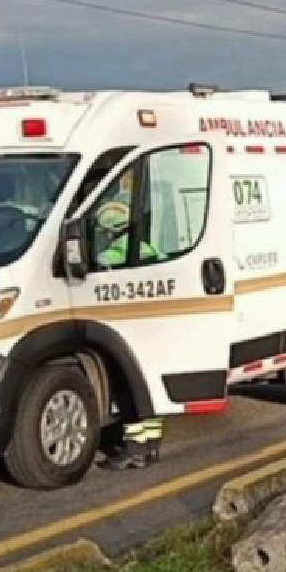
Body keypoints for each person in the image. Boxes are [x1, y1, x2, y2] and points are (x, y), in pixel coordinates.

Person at [92, 194, 165, 470]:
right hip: (153, 330)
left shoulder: (110, 256)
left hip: (129, 330)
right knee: (149, 389)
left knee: (127, 390)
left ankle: (134, 450)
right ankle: (152, 447)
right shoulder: (149, 249)